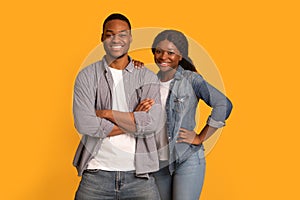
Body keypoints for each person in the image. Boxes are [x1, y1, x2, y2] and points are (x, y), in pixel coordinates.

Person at [72, 13, 162, 200]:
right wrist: (133, 118)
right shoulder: (87, 76)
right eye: (110, 34)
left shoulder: (146, 77)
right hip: (96, 175)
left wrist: (106, 113)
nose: (116, 40)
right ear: (102, 38)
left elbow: (152, 124)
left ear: (130, 38)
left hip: (139, 177)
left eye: (122, 34)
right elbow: (85, 124)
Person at [146, 30, 233, 200]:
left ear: (180, 56)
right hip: (158, 162)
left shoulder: (191, 80)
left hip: (187, 159)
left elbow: (223, 104)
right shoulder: (148, 83)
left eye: (171, 52)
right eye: (159, 51)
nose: (164, 57)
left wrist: (200, 137)